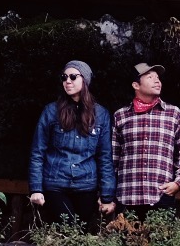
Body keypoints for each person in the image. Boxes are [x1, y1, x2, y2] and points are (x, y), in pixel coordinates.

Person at [28, 60, 116, 225]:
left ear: (85, 80)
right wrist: (36, 189)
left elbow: (105, 156)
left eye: (73, 77)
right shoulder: (51, 111)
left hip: (86, 185)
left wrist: (107, 196)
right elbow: (37, 151)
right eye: (64, 77)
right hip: (56, 183)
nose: (67, 81)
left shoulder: (101, 114)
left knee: (80, 234)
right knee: (68, 227)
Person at [111, 62, 180, 216]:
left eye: (158, 78)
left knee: (162, 240)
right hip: (128, 197)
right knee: (126, 240)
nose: (157, 81)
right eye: (150, 77)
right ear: (136, 85)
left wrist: (178, 182)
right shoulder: (120, 115)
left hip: (161, 195)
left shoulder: (173, 113)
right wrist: (107, 194)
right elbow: (113, 159)